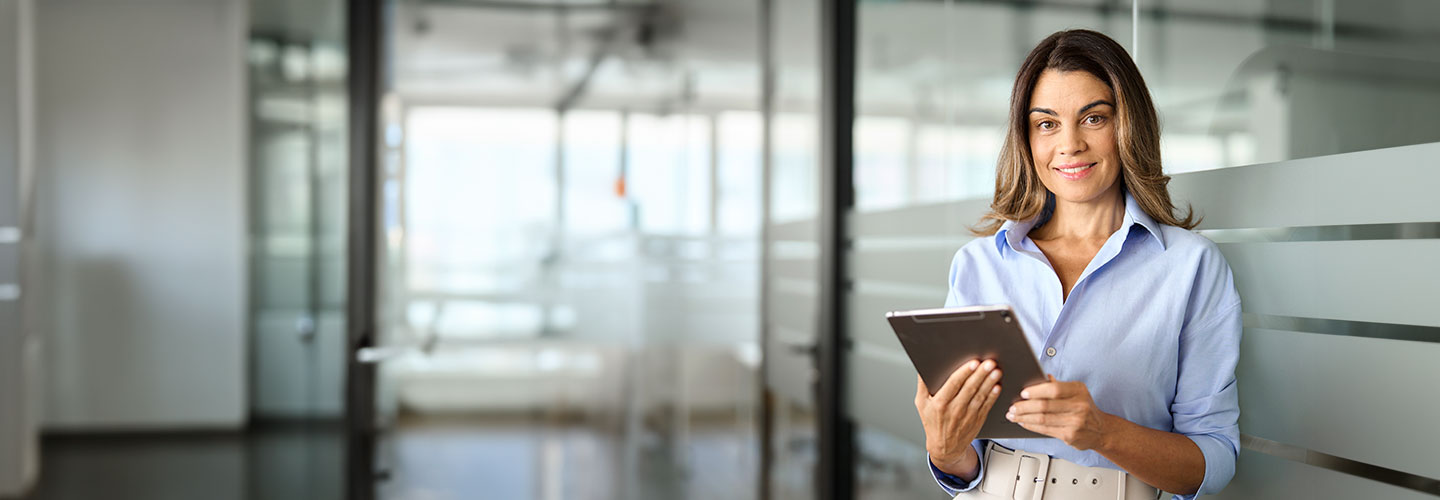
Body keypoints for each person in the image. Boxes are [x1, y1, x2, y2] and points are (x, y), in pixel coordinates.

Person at [913, 29, 1241, 500]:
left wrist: (1102, 433)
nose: (1069, 144)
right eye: (1046, 123)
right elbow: (968, 459)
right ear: (1025, 138)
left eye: (1093, 118)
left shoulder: (1192, 267)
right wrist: (946, 451)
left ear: (1128, 125)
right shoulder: (978, 264)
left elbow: (1214, 459)